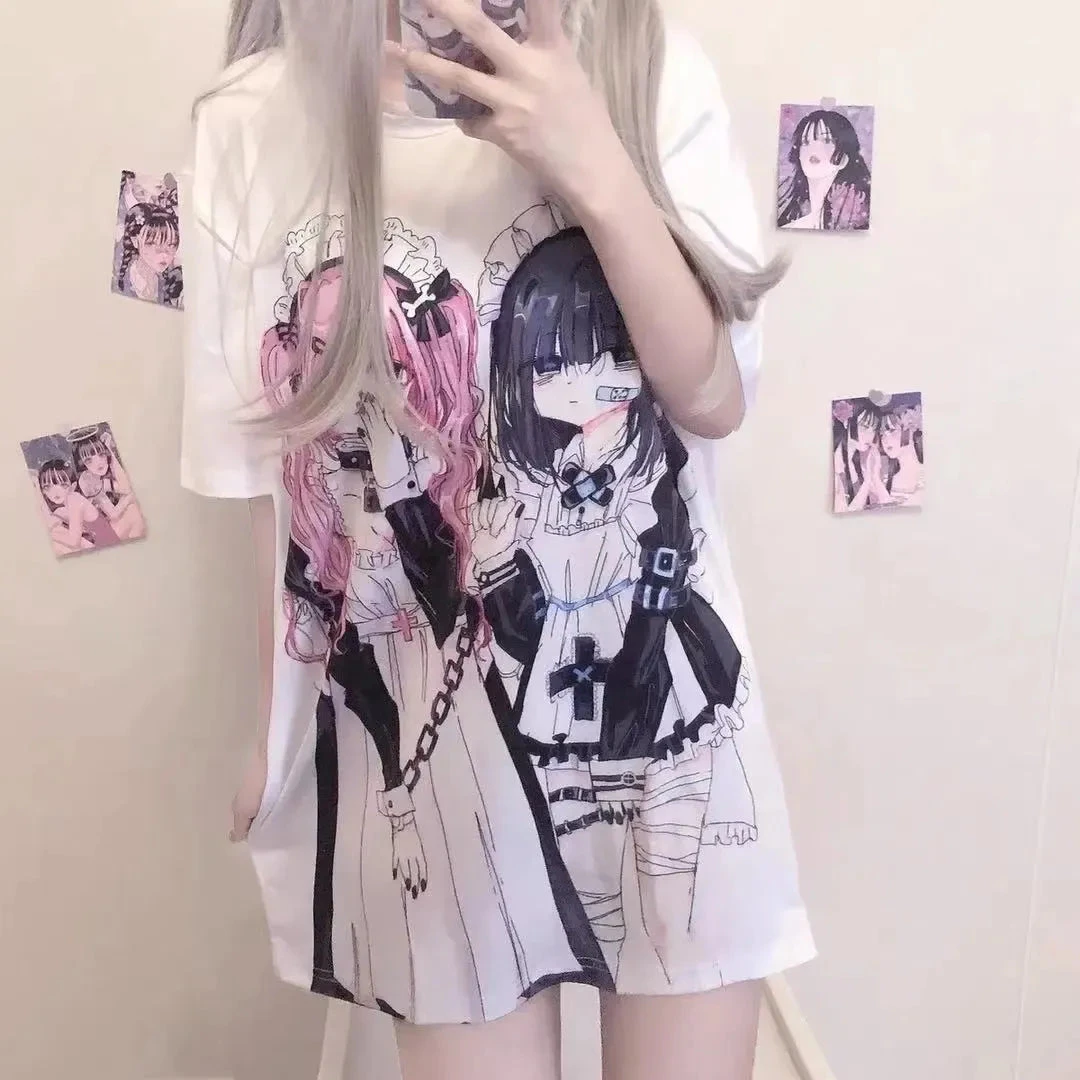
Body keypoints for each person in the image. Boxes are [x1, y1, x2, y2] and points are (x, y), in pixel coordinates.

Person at [182, 2, 815, 1078]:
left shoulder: (649, 70)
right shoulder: (255, 119)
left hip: (669, 738)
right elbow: (267, 474)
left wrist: (592, 163)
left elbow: (714, 399)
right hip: (438, 747)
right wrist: (273, 726)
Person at [778, 109, 872, 231]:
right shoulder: (792, 228)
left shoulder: (853, 222)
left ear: (845, 157)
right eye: (805, 142)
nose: (813, 149)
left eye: (826, 141)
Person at [71, 428, 146, 540]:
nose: (99, 462)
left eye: (102, 454)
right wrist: (130, 497)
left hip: (108, 528)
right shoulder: (88, 480)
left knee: (134, 510)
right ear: (82, 464)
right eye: (89, 460)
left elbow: (125, 487)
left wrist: (109, 450)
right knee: (133, 511)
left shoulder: (96, 477)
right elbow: (113, 514)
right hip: (101, 535)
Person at [115, 192, 184, 307]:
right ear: (135, 240)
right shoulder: (120, 279)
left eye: (171, 245)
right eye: (155, 244)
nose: (165, 254)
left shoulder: (168, 284)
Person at [36, 459, 116, 553]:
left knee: (55, 536)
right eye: (47, 487)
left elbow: (74, 542)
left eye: (63, 485)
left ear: (73, 486)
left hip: (108, 545)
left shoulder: (74, 499)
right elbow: (50, 516)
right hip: (102, 545)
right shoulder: (64, 507)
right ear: (43, 491)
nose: (55, 491)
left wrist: (49, 533)